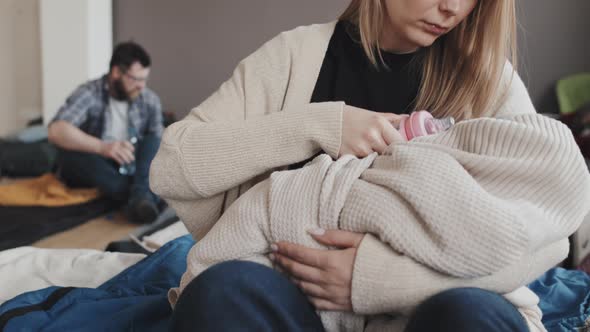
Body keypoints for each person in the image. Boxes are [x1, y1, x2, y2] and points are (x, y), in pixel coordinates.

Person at [150, 0, 565, 331]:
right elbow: (172, 164)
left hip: (430, 307)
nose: (453, 7)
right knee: (222, 293)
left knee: (471, 314)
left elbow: (549, 236)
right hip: (299, 306)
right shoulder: (296, 55)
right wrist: (317, 125)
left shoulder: (487, 80)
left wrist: (378, 280)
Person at [48, 42, 164, 224]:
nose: (142, 86)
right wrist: (103, 148)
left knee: (155, 141)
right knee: (69, 156)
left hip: (133, 165)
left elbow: (158, 148)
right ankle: (143, 196)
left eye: (144, 79)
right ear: (117, 72)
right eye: (136, 79)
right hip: (99, 163)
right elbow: (56, 130)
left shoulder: (150, 100)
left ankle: (138, 195)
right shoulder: (90, 93)